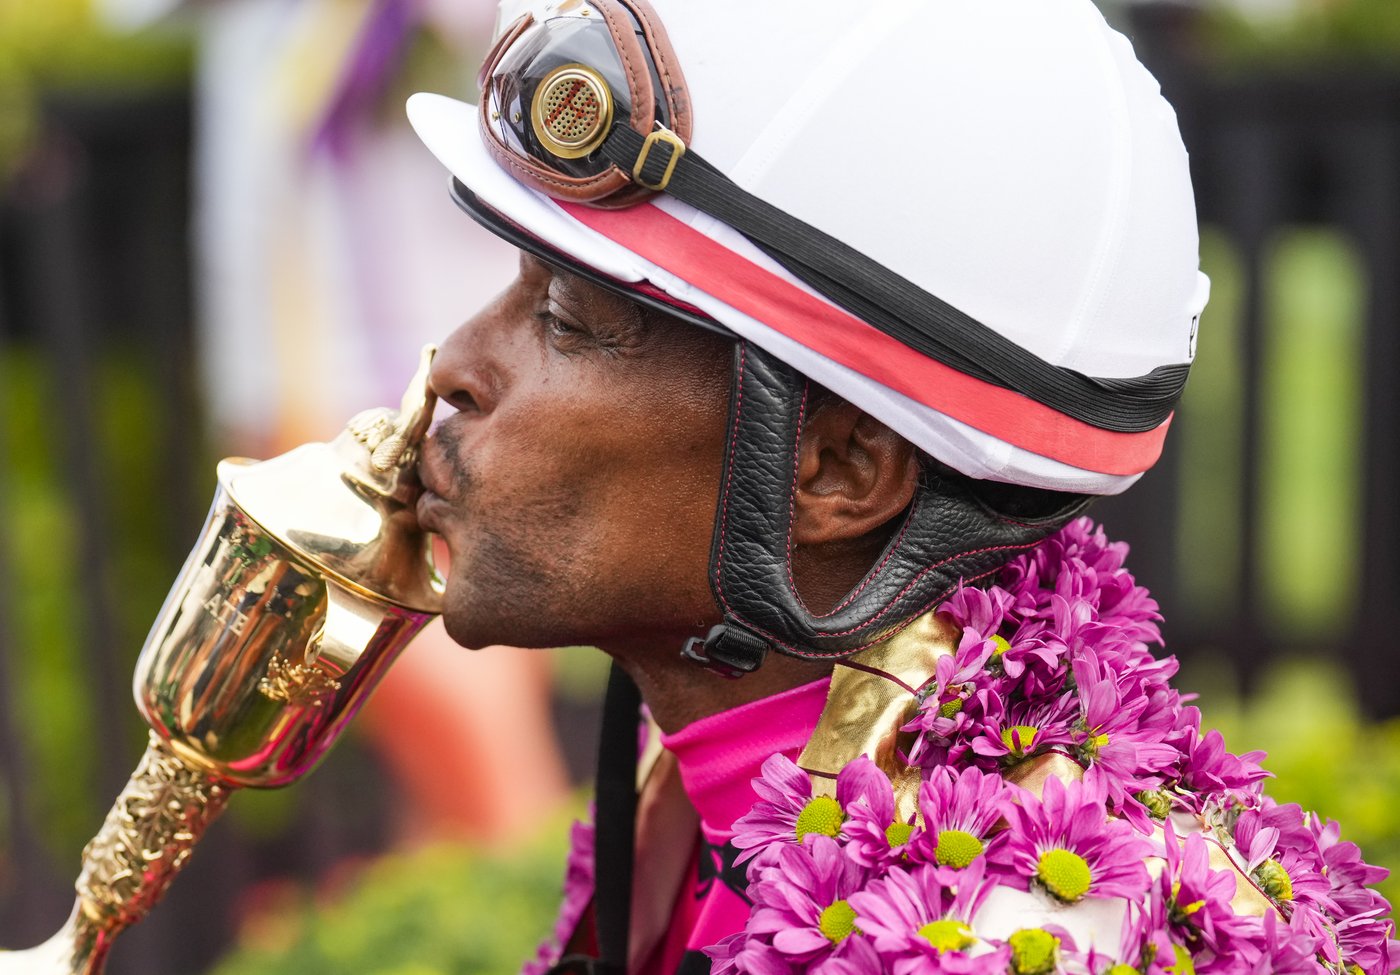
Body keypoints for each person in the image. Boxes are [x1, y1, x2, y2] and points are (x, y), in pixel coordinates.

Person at [403, 0, 1396, 972]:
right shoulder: (724, 789)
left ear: (836, 467)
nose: (453, 363)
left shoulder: (1020, 939)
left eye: (566, 321)